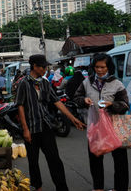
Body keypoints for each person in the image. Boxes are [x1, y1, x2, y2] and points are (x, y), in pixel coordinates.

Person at [16, 54, 85, 191]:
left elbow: (56, 101)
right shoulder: (23, 83)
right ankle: (38, 186)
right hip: (31, 127)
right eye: (43, 66)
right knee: (33, 161)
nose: (45, 69)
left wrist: (72, 118)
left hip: (46, 125)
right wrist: (25, 129)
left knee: (55, 160)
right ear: (34, 66)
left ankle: (62, 187)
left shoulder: (45, 82)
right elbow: (20, 105)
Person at [73, 53, 130, 191]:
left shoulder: (117, 84)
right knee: (95, 159)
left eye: (103, 67)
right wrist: (83, 101)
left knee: (120, 161)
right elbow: (76, 97)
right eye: (97, 67)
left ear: (109, 67)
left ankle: (120, 188)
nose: (100, 70)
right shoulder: (87, 82)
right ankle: (98, 188)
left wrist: (112, 104)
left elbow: (125, 104)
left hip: (115, 127)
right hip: (95, 127)